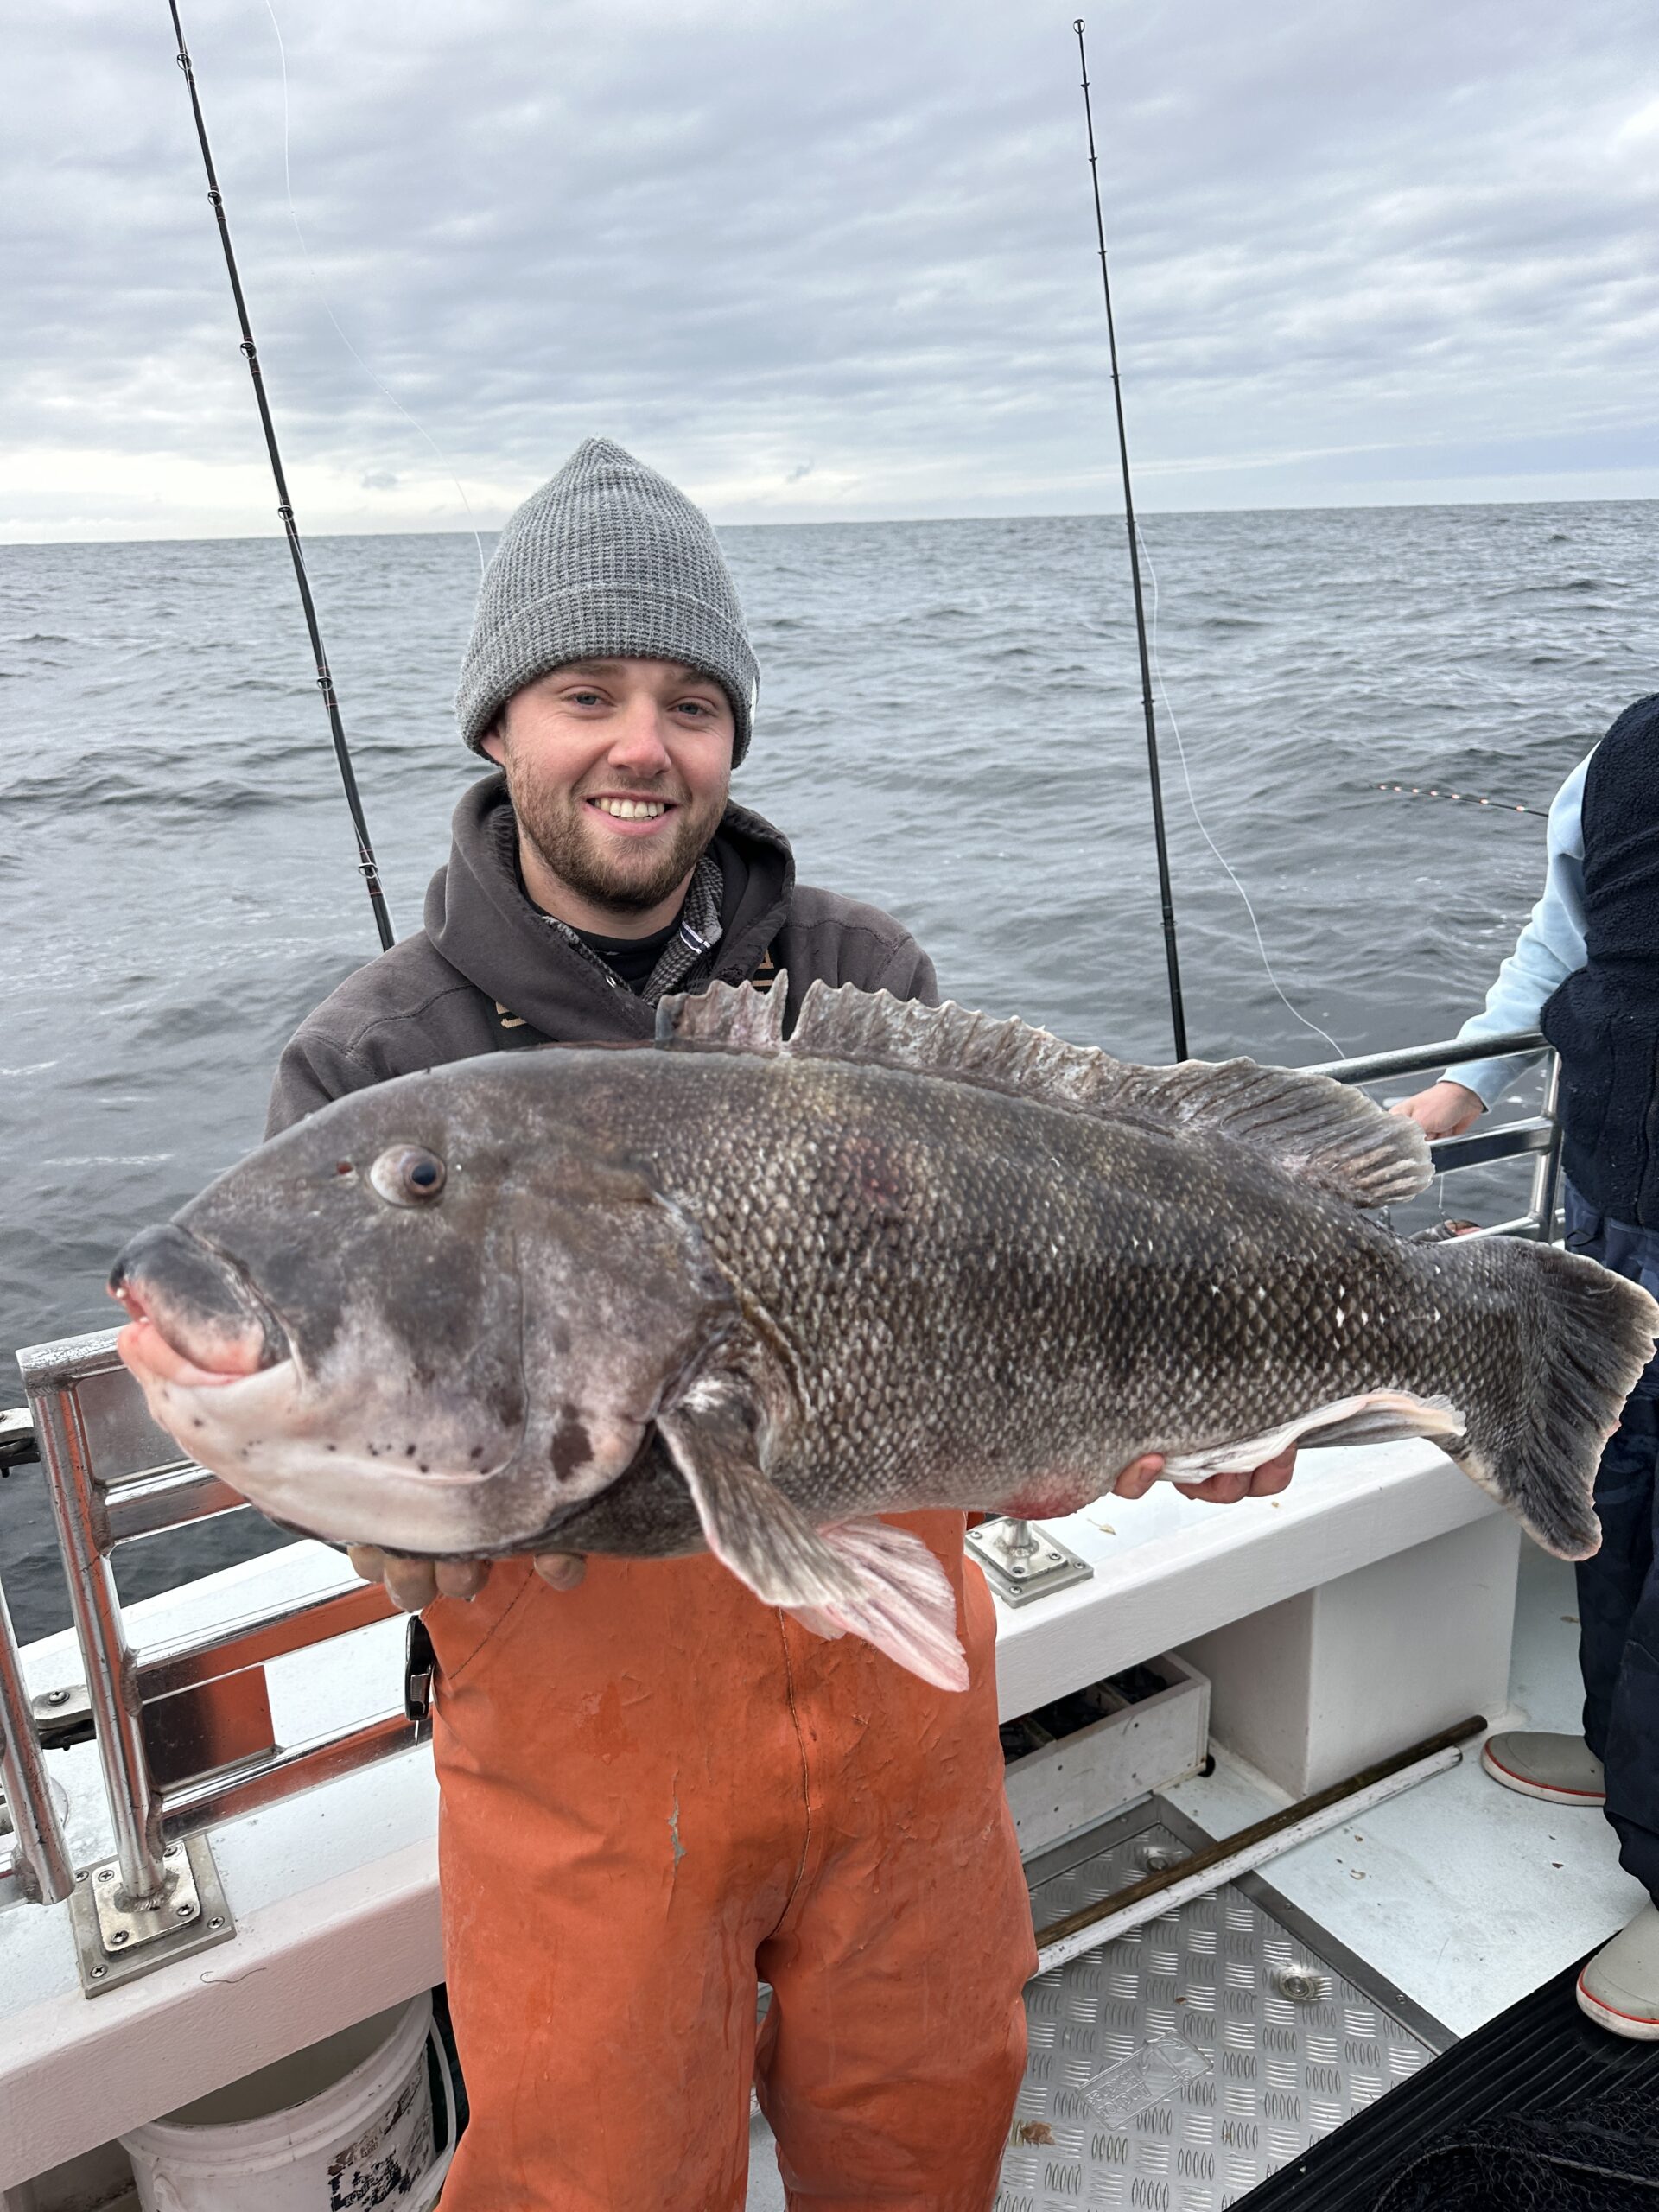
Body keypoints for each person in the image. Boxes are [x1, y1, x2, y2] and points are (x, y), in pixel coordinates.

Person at [267, 436, 1295, 2209]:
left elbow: (1002, 1293)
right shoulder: (372, 1066)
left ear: (730, 735)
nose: (640, 744)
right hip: (583, 1777)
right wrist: (361, 1518)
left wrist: (1175, 1398)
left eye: (688, 699)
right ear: (499, 727)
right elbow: (304, 1389)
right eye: (585, 691)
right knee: (594, 2176)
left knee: (929, 2118)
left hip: (899, 1723)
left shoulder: (858, 977)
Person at [1397, 692, 1659, 2041]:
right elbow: (1570, 923)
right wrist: (1458, 1094)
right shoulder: (1619, 757)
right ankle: (1626, 1761)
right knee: (1608, 1486)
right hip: (1617, 1204)